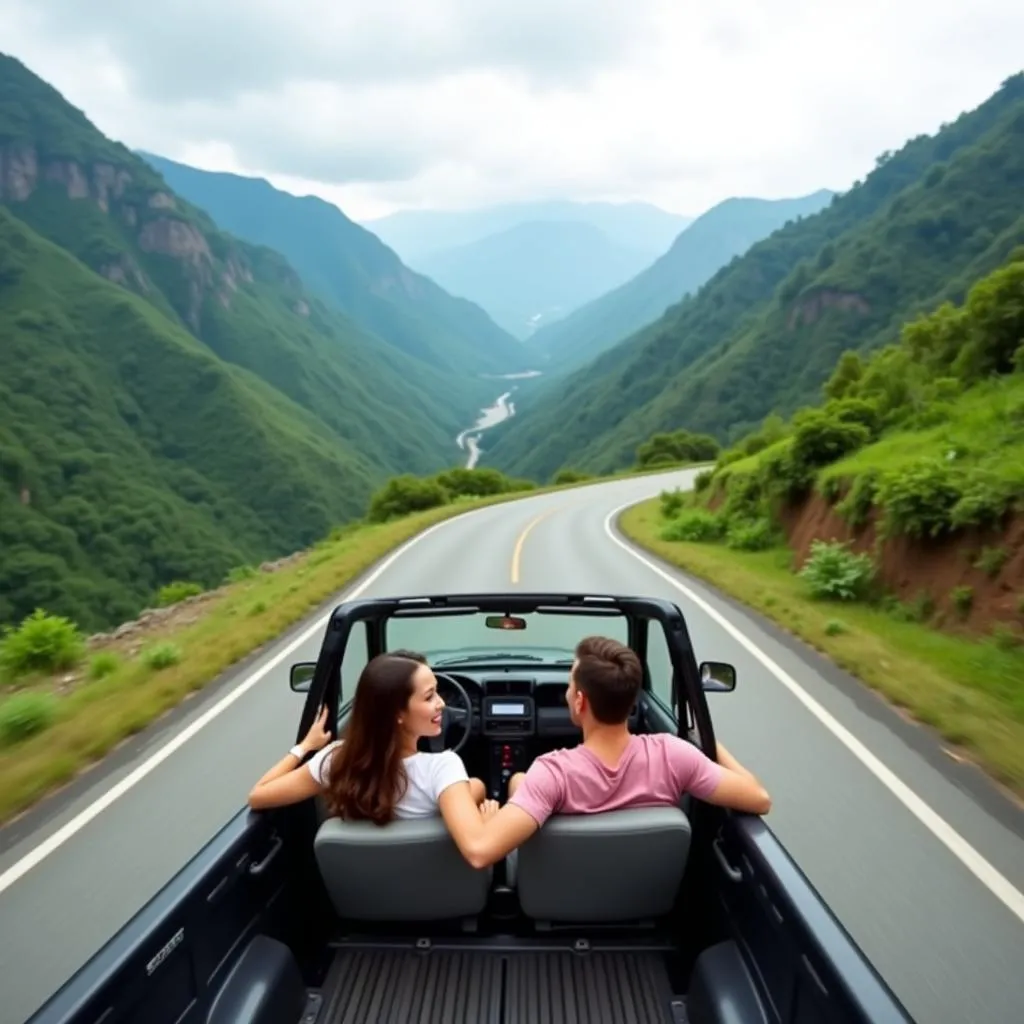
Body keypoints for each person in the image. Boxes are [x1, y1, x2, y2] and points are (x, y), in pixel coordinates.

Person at [443, 635, 772, 870]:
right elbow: (759, 798)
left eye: (570, 685)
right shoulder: (675, 755)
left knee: (518, 781)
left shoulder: (552, 773)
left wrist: (492, 814)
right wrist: (709, 744)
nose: (568, 692)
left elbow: (481, 853)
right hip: (643, 904)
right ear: (633, 701)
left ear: (580, 701)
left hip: (558, 903)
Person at [248, 650, 495, 827]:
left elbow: (258, 795)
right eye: (429, 696)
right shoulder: (442, 769)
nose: (441, 703)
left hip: (361, 899)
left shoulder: (336, 760)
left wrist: (304, 747)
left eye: (438, 692)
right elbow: (475, 841)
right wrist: (482, 815)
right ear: (397, 713)